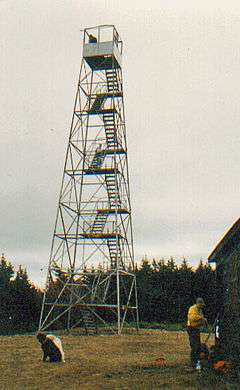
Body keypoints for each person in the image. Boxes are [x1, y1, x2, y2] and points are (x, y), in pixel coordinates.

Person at [187, 297, 207, 369]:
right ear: (198, 304)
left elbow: (201, 318)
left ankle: (197, 361)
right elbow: (192, 318)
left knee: (198, 345)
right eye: (201, 305)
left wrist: (204, 321)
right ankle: (193, 362)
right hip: (191, 329)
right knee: (194, 345)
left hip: (196, 329)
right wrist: (201, 318)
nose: (202, 306)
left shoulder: (200, 310)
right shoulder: (193, 308)